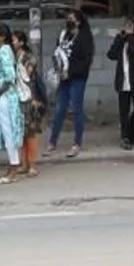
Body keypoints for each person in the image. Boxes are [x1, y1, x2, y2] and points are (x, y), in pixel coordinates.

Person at [46, 9, 95, 158]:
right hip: (63, 78)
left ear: (79, 22)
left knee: (77, 109)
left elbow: (85, 61)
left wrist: (71, 72)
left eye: (72, 18)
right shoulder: (63, 36)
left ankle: (77, 143)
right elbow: (57, 53)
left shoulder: (84, 38)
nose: (69, 20)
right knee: (60, 109)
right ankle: (52, 142)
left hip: (77, 78)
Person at [0, 22, 25, 184]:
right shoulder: (7, 50)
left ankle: (13, 166)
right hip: (7, 96)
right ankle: (13, 164)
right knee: (8, 131)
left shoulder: (4, 51)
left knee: (8, 131)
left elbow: (10, 77)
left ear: (2, 36)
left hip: (5, 96)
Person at [108, 17, 134, 151]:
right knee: (123, 112)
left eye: (130, 25)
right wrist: (120, 37)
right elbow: (111, 54)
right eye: (126, 25)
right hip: (123, 82)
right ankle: (124, 137)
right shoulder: (122, 40)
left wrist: (130, 37)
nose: (127, 28)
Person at [12, 31, 44, 176]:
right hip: (17, 98)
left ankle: (32, 164)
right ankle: (24, 163)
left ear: (22, 42)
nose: (12, 43)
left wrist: (35, 99)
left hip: (30, 98)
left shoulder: (29, 58)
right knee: (21, 133)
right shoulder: (13, 57)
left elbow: (28, 79)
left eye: (14, 40)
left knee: (30, 132)